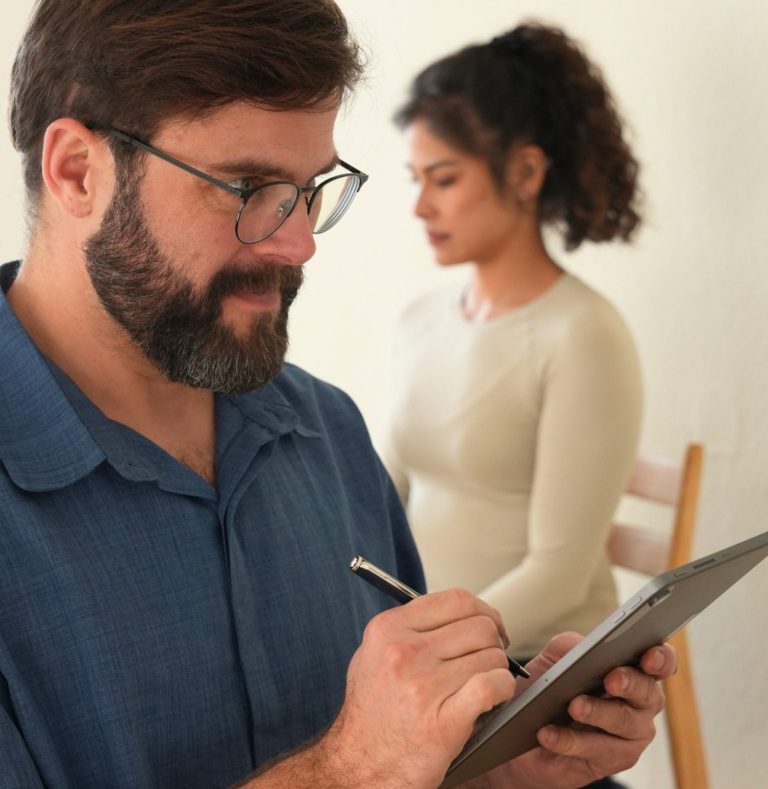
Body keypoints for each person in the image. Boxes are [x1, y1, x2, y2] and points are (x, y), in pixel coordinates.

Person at [0, 3, 675, 788]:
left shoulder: (326, 433)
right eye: (247, 187)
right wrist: (352, 768)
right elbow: (370, 764)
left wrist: (492, 764)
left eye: (310, 187)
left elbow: (414, 762)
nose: (299, 242)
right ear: (78, 170)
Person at [384, 22, 644, 663]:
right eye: (413, 179)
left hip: (536, 666)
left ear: (525, 172)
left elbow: (558, 573)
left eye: (442, 180)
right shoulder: (421, 319)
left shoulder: (584, 336)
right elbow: (381, 493)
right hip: (440, 661)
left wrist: (431, 653)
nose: (420, 206)